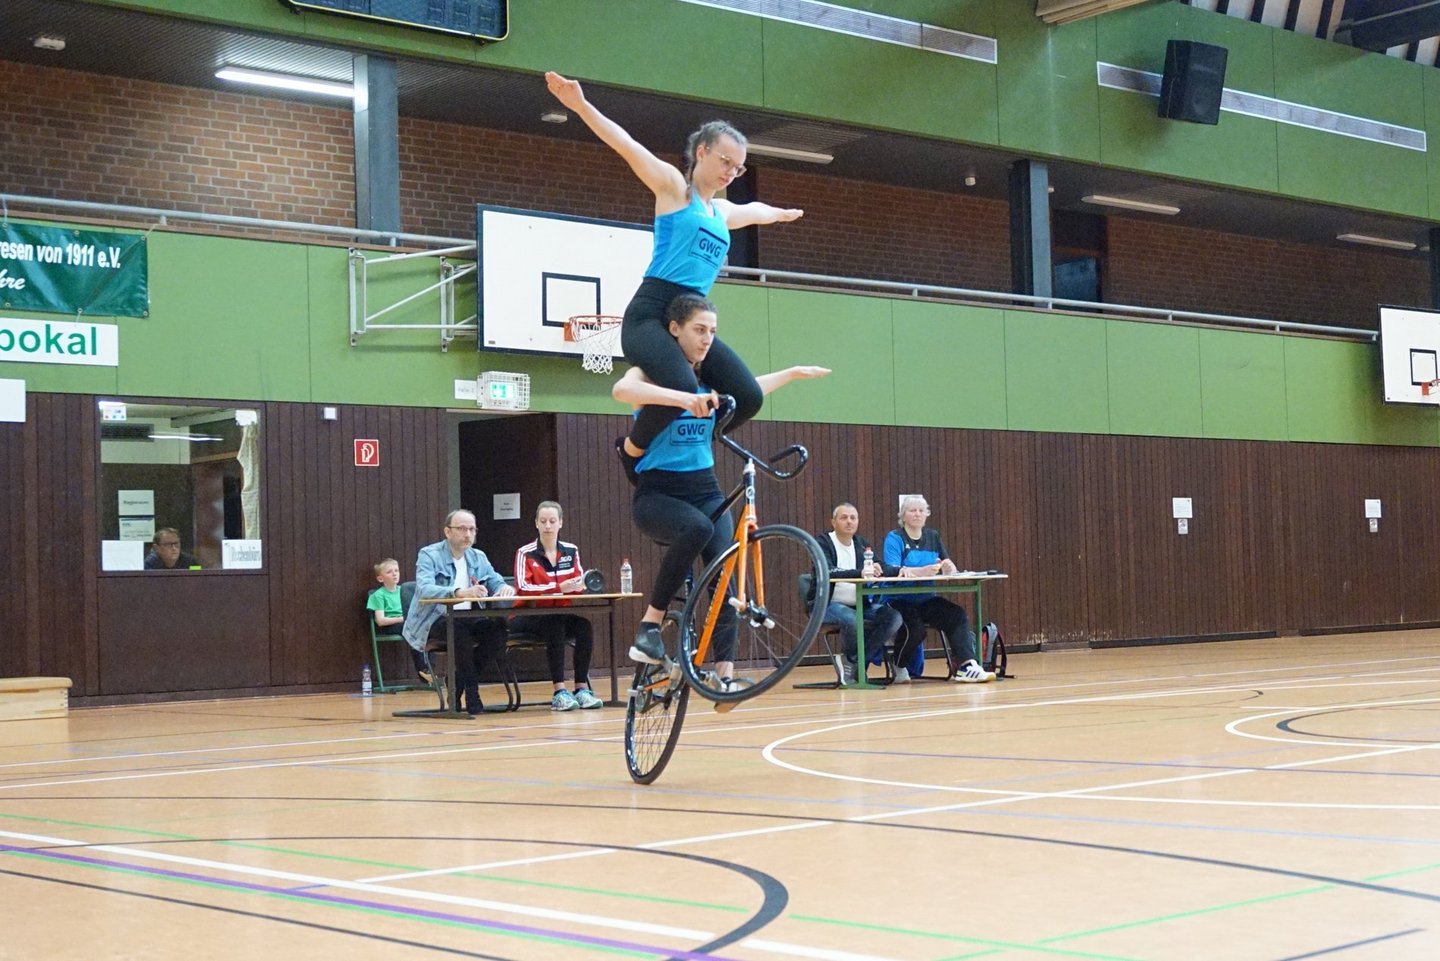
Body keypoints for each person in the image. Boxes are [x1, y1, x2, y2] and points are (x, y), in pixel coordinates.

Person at [545, 71, 804, 484]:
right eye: (725, 162)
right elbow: (626, 145)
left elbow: (753, 209)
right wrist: (580, 105)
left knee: (748, 397)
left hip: (690, 321)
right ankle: (631, 451)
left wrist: (779, 214)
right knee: (682, 384)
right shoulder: (672, 190)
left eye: (738, 169)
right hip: (650, 315)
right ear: (702, 152)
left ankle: (693, 438)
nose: (730, 173)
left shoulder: (721, 213)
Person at [614, 292, 829, 692]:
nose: (707, 338)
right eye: (699, 329)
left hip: (705, 490)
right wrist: (684, 398)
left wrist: (791, 373)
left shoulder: (712, 377)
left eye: (712, 331)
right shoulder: (652, 373)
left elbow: (750, 389)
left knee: (725, 574)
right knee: (695, 529)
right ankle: (650, 625)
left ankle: (724, 676)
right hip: (657, 494)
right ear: (674, 330)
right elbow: (622, 391)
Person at [401, 509, 516, 715]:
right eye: (462, 529)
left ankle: (457, 682)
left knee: (497, 630)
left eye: (472, 529)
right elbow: (425, 588)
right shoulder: (429, 554)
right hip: (434, 620)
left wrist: (504, 587)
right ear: (448, 532)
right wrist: (459, 592)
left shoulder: (478, 556)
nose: (468, 534)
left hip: (467, 619)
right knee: (459, 630)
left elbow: (494, 579)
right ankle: (472, 693)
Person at [881, 495, 994, 684]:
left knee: (956, 615)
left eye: (921, 510)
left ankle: (967, 665)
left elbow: (945, 562)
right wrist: (920, 572)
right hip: (899, 600)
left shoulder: (933, 536)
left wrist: (950, 567)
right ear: (903, 515)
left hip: (926, 599)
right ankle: (899, 664)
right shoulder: (895, 538)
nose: (917, 514)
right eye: (912, 510)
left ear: (927, 514)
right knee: (915, 629)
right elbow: (892, 570)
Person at [511, 501, 602, 711]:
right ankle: (559, 691)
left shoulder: (571, 550)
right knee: (555, 624)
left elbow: (579, 581)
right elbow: (523, 588)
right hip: (529, 615)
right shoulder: (525, 553)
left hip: (560, 613)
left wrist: (581, 585)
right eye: (543, 521)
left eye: (552, 521)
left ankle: (581, 689)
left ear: (560, 523)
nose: (548, 526)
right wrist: (558, 587)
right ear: (536, 523)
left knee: (583, 626)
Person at [814, 503, 904, 686]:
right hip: (829, 604)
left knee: (893, 617)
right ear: (833, 522)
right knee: (852, 619)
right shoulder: (823, 543)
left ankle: (854, 661)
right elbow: (828, 570)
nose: (849, 521)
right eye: (844, 517)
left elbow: (881, 566)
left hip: (860, 603)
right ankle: (851, 662)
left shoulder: (862, 544)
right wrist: (859, 572)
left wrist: (902, 570)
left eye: (853, 518)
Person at [366, 558, 432, 686]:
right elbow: (380, 621)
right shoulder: (378, 595)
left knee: (429, 629)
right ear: (380, 578)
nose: (394, 573)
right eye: (389, 572)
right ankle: (423, 669)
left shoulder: (405, 591)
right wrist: (404, 619)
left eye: (396, 570)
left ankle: (429, 669)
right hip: (391, 625)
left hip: (408, 622)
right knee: (414, 631)